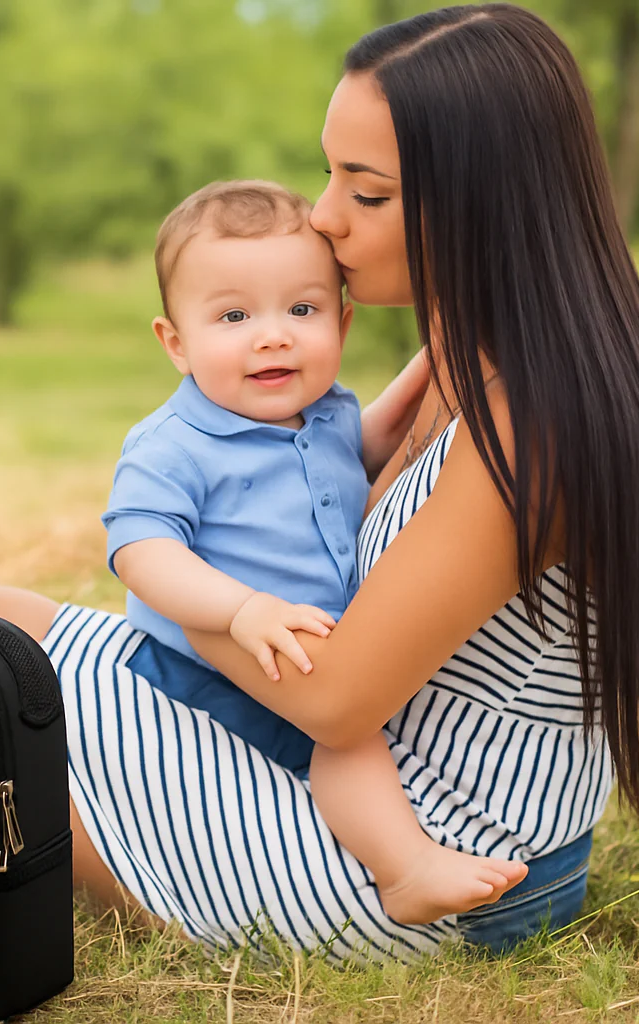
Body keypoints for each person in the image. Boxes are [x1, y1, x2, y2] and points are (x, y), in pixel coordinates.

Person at [0, 2, 639, 962]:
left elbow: (332, 699)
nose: (323, 219)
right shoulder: (470, 350)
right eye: (330, 176)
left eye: (365, 194)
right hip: (342, 760)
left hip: (416, 852)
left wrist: (172, 595)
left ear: (480, 204)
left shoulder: (533, 419)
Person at [104, 176, 527, 924]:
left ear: (343, 322)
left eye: (303, 310)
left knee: (350, 729)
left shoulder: (325, 413)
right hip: (222, 664)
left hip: (312, 645)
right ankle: (405, 870)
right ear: (176, 342)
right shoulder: (173, 446)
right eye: (233, 315)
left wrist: (433, 365)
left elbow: (350, 464)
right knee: (349, 744)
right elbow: (141, 551)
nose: (273, 335)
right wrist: (240, 610)